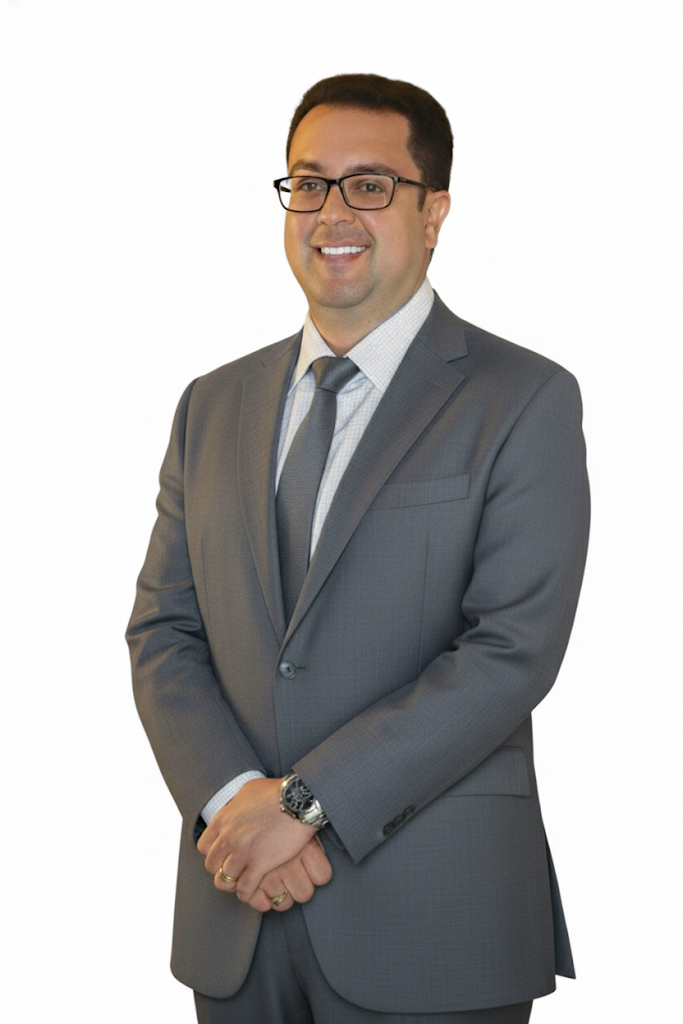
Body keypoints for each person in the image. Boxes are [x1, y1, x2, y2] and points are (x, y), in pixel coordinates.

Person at [127, 73, 590, 1024]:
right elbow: (164, 631)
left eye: (369, 185)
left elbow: (510, 651)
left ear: (433, 212)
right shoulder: (210, 405)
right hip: (237, 908)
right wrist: (235, 803)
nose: (331, 212)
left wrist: (302, 806)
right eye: (309, 183)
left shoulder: (523, 399)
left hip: (434, 915)